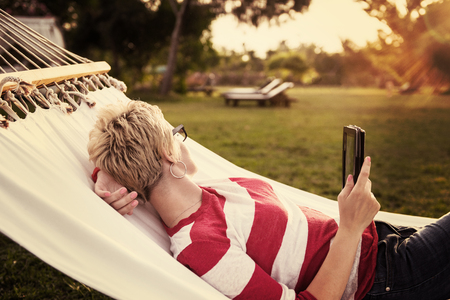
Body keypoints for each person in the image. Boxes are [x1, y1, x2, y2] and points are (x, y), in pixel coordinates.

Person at [87, 100, 450, 300]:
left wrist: (104, 173)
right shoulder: (201, 245)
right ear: (168, 154)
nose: (184, 139)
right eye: (176, 133)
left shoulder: (215, 191)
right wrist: (351, 228)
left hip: (381, 241)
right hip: (384, 278)